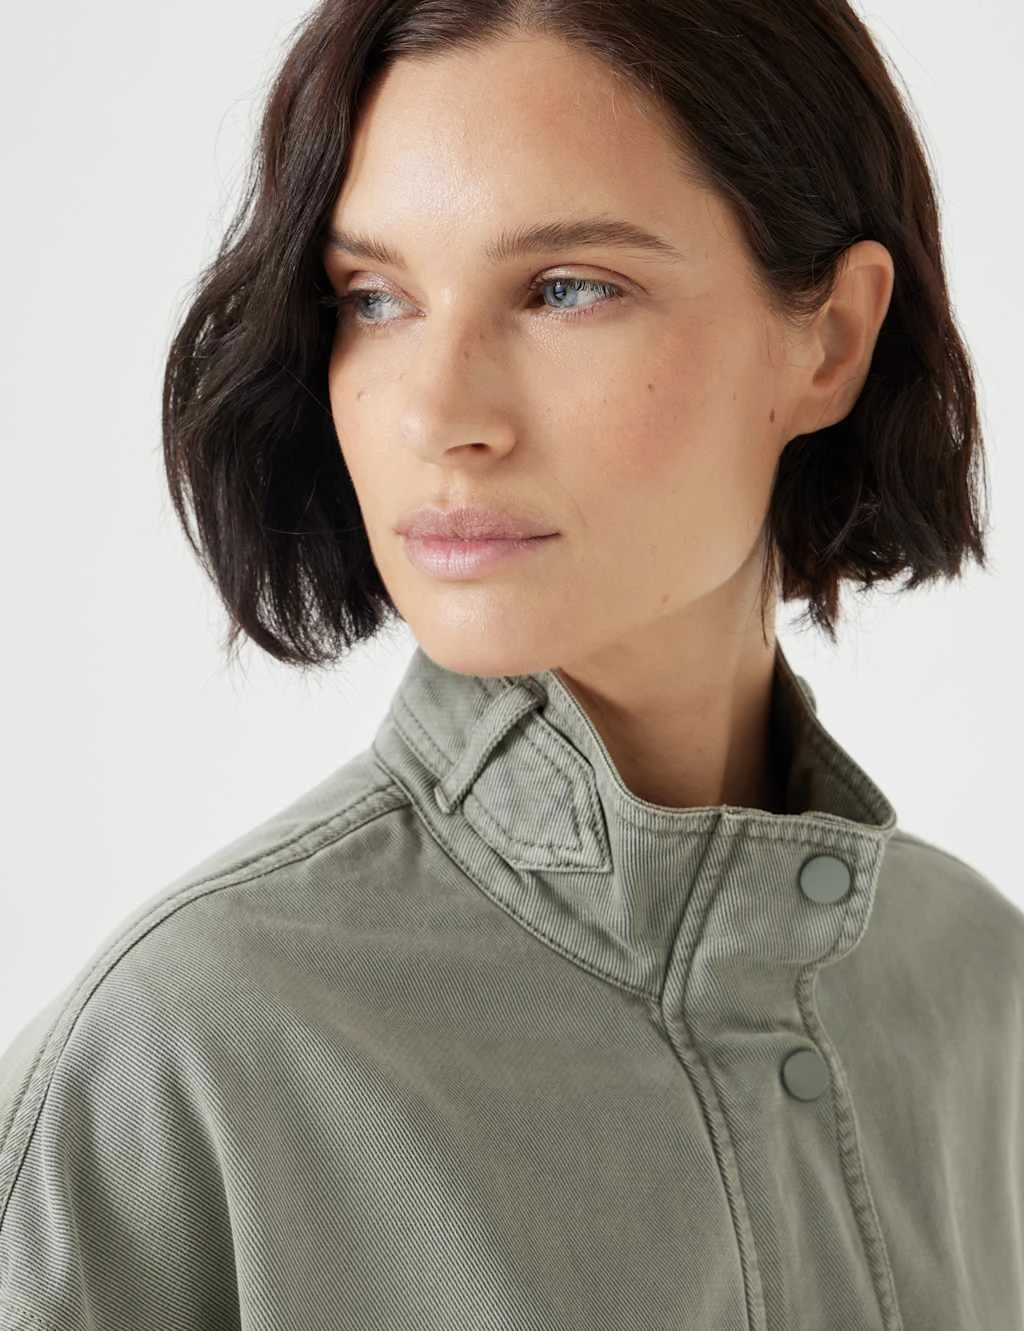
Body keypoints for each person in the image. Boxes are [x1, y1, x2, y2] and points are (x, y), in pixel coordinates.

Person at [0, 2, 1018, 1329]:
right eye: (374, 300)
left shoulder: (983, 992)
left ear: (828, 339)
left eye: (566, 287)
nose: (439, 414)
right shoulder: (178, 1057)